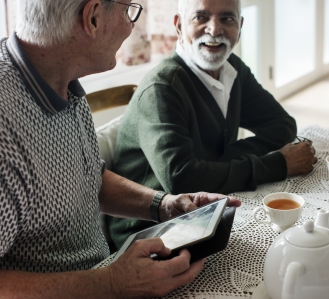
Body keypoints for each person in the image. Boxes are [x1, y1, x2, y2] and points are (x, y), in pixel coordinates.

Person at [0, 0, 241, 298]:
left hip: (101, 272)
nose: (130, 25)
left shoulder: (60, 78)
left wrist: (165, 205)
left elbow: (85, 177)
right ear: (92, 17)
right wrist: (112, 283)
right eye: (127, 11)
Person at [107, 0, 317, 249]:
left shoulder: (232, 69)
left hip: (203, 211)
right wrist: (277, 164)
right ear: (178, 25)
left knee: (296, 239)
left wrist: (218, 163)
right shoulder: (162, 89)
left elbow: (282, 124)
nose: (214, 29)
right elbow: (182, 179)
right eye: (201, 17)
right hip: (147, 231)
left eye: (227, 19)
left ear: (240, 26)